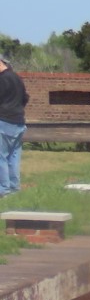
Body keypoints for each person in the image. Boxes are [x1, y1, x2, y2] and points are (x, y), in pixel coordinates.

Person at [0, 56, 27, 197]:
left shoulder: (2, 79)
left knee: (1, 156)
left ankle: (3, 189)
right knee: (13, 157)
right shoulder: (17, 78)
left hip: (3, 121)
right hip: (19, 122)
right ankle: (14, 189)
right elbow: (25, 98)